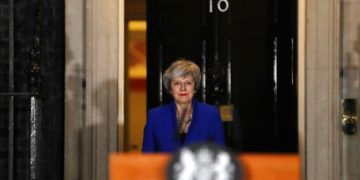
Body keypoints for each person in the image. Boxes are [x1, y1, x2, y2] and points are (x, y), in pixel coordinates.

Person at [142, 58, 225, 153]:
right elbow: (146, 158)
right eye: (177, 83)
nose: (183, 88)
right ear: (170, 88)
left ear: (195, 87)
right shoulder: (155, 116)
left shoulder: (211, 114)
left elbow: (220, 155)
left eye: (188, 83)